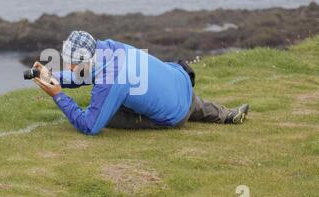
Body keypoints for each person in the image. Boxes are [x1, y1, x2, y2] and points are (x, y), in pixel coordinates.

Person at [32, 31, 249, 135]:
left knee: (107, 114)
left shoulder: (110, 79)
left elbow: (90, 126)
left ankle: (189, 114)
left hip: (173, 117)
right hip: (182, 84)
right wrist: (51, 76)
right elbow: (84, 74)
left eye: (72, 63)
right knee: (184, 102)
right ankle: (226, 114)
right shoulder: (109, 47)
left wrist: (58, 95)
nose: (70, 67)